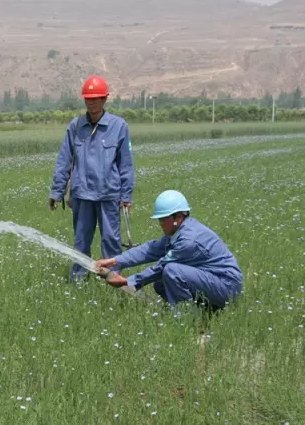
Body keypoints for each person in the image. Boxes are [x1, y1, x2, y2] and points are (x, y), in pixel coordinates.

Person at [94, 190, 243, 311]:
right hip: (213, 281)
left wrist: (128, 281)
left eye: (163, 218)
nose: (160, 223)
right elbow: (149, 249)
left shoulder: (188, 241)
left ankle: (187, 319)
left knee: (171, 271)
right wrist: (114, 261)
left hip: (227, 287)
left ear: (178, 217)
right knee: (161, 283)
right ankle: (204, 310)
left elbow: (161, 267)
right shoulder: (180, 231)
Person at [48, 75, 135, 281]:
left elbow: (126, 164)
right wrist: (56, 192)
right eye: (88, 98)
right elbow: (64, 160)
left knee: (111, 241)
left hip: (108, 194)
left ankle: (114, 281)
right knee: (81, 242)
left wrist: (127, 195)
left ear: (105, 99)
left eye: (96, 98)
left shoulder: (118, 126)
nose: (91, 102)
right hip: (82, 195)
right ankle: (78, 281)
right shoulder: (76, 126)